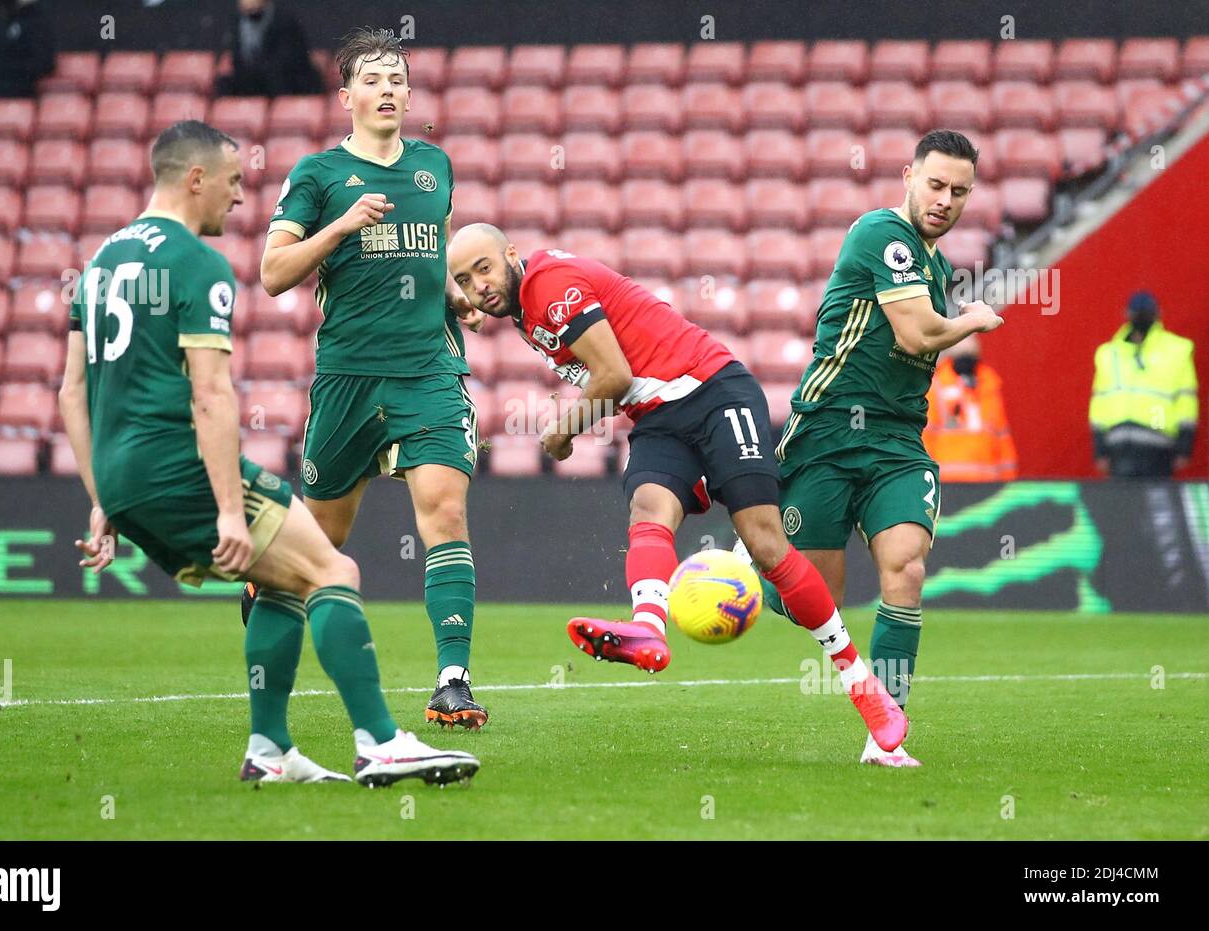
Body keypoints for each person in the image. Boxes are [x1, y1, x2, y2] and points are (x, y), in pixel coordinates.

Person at [58, 119, 478, 788]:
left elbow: (72, 392)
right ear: (194, 179)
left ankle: (270, 749)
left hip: (119, 475)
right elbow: (212, 397)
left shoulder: (100, 263)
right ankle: (379, 742)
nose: (237, 197)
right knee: (331, 571)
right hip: (179, 467)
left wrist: (102, 496)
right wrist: (231, 508)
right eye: (230, 181)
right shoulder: (197, 263)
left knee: (284, 579)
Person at [448, 224, 910, 755]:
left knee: (765, 544)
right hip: (660, 417)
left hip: (713, 392)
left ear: (511, 254)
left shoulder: (549, 285)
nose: (478, 285)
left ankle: (863, 686)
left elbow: (614, 376)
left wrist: (562, 431)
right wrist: (467, 305)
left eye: (484, 268)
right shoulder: (527, 303)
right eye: (465, 279)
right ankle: (649, 629)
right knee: (648, 508)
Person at [247, 28, 490, 729]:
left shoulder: (435, 167)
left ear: (409, 94)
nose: (387, 89)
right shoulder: (318, 176)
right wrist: (340, 227)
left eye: (397, 78)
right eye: (373, 79)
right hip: (348, 378)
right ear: (346, 95)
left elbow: (431, 259)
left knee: (444, 512)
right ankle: (273, 600)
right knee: (320, 542)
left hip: (428, 373)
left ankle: (452, 679)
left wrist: (454, 297)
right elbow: (272, 275)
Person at [754, 130, 1005, 768]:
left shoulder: (936, 264)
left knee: (907, 565)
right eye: (937, 185)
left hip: (896, 440)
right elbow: (919, 333)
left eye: (960, 192)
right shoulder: (880, 235)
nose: (946, 200)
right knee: (816, 596)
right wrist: (971, 321)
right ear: (908, 177)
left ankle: (885, 732)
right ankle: (746, 567)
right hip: (827, 431)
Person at [1090, 291, 1198, 478]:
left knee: (1154, 501)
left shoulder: (1176, 349)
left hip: (1157, 435)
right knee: (1124, 504)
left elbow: (1186, 401)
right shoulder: (1109, 353)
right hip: (1119, 443)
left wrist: (1184, 444)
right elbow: (1099, 404)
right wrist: (1100, 447)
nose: (1140, 318)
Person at [922, 335, 1019, 482]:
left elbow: (1002, 438)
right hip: (947, 483)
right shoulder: (937, 387)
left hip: (987, 483)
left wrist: (1008, 484)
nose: (966, 363)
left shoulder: (989, 387)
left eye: (970, 356)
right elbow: (925, 438)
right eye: (962, 356)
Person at [216, 0, 321, 97]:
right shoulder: (236, 23)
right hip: (252, 79)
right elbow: (237, 59)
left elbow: (289, 60)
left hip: (284, 80)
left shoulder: (284, 20)